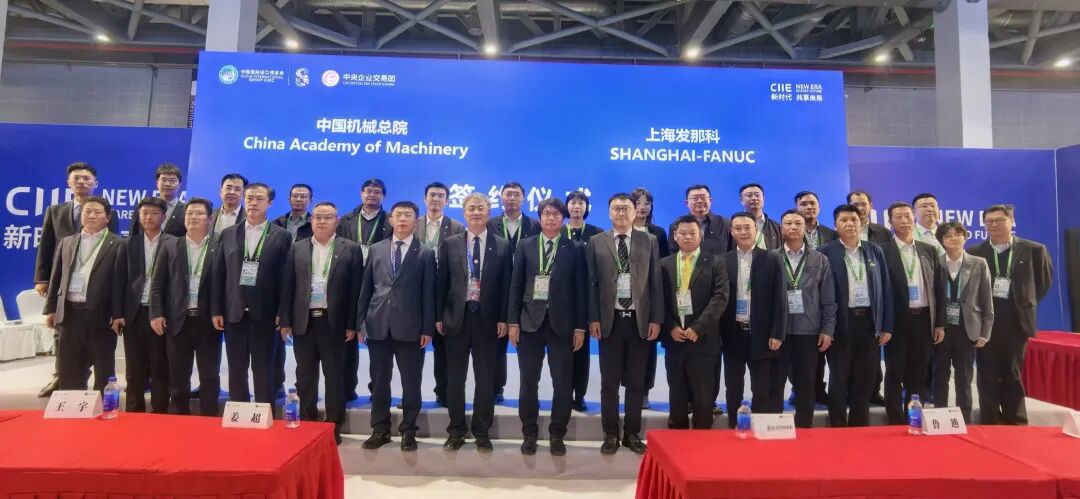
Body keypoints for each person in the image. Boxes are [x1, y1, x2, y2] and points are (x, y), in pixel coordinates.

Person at [508, 197, 587, 456]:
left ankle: (557, 433)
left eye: (555, 214)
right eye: (546, 214)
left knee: (562, 383)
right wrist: (513, 322)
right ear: (539, 218)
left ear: (563, 219)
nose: (551, 218)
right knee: (528, 382)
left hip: (562, 325)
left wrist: (580, 327)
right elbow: (516, 285)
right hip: (529, 323)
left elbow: (580, 290)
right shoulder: (526, 245)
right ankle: (529, 432)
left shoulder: (574, 248)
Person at [34, 162, 120, 398]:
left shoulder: (111, 226)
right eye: (77, 178)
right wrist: (43, 283)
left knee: (101, 358)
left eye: (86, 178)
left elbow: (117, 266)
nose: (81, 182)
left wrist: (117, 311)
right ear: (68, 183)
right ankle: (62, 382)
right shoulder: (56, 212)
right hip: (68, 297)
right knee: (65, 348)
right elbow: (47, 248)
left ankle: (100, 399)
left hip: (99, 302)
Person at [280, 202, 362, 445]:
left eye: (328, 217)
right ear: (311, 220)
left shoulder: (350, 249)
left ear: (337, 220)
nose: (322, 221)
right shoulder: (297, 248)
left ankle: (333, 425)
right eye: (318, 217)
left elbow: (356, 290)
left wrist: (352, 323)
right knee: (305, 375)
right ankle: (307, 421)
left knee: (334, 376)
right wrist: (285, 320)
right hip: (303, 321)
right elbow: (287, 287)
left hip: (334, 322)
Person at [357, 201, 436, 451]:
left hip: (411, 328)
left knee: (411, 382)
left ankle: (408, 431)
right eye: (398, 215)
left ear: (416, 221)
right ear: (390, 219)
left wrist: (427, 329)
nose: (402, 219)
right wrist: (360, 322)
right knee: (379, 381)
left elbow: (428, 294)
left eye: (407, 215)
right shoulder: (377, 249)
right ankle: (380, 429)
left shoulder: (425, 253)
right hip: (378, 324)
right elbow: (366, 288)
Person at [588, 193, 663, 455]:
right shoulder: (597, 241)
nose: (621, 213)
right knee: (609, 382)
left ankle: (631, 433)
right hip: (610, 322)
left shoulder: (649, 240)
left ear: (635, 212)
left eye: (626, 208)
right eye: (616, 209)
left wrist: (656, 319)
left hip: (639, 322)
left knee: (636, 382)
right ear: (609, 212)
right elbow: (592, 283)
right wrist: (593, 317)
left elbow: (655, 282)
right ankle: (610, 433)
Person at [436, 193, 511, 452]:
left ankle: (482, 431)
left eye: (481, 208)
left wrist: (504, 318)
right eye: (471, 208)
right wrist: (439, 316)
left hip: (488, 321)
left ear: (489, 212)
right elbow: (441, 283)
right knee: (455, 379)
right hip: (457, 319)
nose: (476, 212)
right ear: (464, 213)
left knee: (485, 379)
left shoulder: (502, 245)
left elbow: (507, 286)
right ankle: (456, 430)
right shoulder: (450, 244)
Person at [970, 204, 1053, 425]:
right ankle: (990, 420)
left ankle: (1015, 420)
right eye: (989, 222)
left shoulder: (1034, 250)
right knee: (986, 373)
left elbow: (1042, 283)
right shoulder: (975, 252)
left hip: (1016, 322)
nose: (993, 225)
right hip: (985, 323)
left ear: (1011, 221)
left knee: (1012, 372)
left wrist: (1024, 303)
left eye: (999, 220)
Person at [211, 182, 292, 405]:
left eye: (259, 199)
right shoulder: (228, 234)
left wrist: (283, 312)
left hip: (266, 313)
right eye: (249, 198)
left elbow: (286, 279)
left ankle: (264, 413)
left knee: (264, 369)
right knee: (236, 368)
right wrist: (216, 309)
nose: (253, 203)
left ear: (270, 203)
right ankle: (239, 412)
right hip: (234, 312)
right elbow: (219, 274)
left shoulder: (281, 236)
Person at [819, 204, 893, 427]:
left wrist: (886, 325)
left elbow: (886, 288)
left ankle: (859, 426)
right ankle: (839, 426)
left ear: (861, 224)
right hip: (840, 323)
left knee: (866, 378)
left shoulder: (874, 250)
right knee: (839, 377)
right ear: (835, 225)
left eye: (854, 219)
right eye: (844, 220)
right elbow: (820, 293)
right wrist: (825, 328)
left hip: (869, 322)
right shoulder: (825, 252)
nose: (850, 224)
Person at [148, 197, 222, 416]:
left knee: (209, 375)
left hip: (208, 321)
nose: (193, 217)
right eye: (189, 213)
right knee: (178, 375)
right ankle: (179, 418)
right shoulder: (170, 245)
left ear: (210, 219)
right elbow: (157, 283)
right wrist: (156, 313)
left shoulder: (219, 245)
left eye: (199, 213)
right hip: (177, 320)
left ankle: (208, 418)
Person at [719, 212, 787, 427]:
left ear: (755, 230)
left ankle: (760, 428)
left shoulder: (772, 258)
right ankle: (734, 426)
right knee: (733, 386)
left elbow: (780, 298)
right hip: (733, 333)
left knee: (762, 387)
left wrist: (777, 332)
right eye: (738, 228)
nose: (743, 232)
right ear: (732, 232)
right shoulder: (723, 260)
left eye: (747, 227)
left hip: (763, 333)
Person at [661, 215, 729, 429]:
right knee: (677, 393)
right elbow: (658, 300)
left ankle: (702, 441)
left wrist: (698, 327)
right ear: (675, 236)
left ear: (700, 236)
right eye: (682, 233)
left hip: (704, 340)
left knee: (703, 396)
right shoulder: (664, 264)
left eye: (692, 233)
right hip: (675, 340)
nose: (687, 237)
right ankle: (677, 438)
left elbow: (720, 298)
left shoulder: (716, 262)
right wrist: (671, 326)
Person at [881, 202, 946, 425]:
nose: (904, 221)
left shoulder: (928, 250)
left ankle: (913, 417)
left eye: (908, 216)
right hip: (897, 321)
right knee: (894, 372)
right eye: (898, 217)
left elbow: (939, 289)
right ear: (890, 222)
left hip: (923, 318)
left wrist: (939, 323)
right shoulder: (882, 251)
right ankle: (894, 418)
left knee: (918, 372)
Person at [113, 197, 175, 413]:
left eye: (154, 213)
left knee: (160, 365)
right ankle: (134, 411)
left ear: (164, 216)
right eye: (144, 213)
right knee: (134, 367)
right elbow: (118, 281)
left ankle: (159, 410)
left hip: (160, 313)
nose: (148, 217)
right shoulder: (128, 243)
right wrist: (117, 313)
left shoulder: (173, 243)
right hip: (134, 313)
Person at [776, 209, 836, 428]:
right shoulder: (770, 258)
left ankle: (804, 428)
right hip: (778, 332)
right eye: (788, 223)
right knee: (775, 382)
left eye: (797, 223)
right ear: (781, 228)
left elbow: (828, 298)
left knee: (806, 383)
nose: (793, 227)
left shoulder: (819, 259)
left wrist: (827, 330)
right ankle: (775, 427)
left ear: (805, 228)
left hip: (809, 331)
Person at [932, 222, 993, 423]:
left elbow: (986, 299)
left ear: (965, 237)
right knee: (939, 374)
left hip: (968, 328)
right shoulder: (935, 263)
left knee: (965, 377)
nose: (954, 239)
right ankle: (939, 417)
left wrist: (985, 331)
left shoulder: (979, 263)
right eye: (948, 236)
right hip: (941, 329)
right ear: (941, 241)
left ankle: (964, 419)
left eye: (958, 234)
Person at [337, 178, 392, 402]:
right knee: (348, 337)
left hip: (378, 285)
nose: (372, 195)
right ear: (361, 194)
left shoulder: (390, 220)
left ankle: (377, 389)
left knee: (378, 342)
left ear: (383, 196)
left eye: (377, 192)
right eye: (368, 191)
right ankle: (347, 387)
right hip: (349, 283)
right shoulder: (346, 220)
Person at [487, 181, 541, 403]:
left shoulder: (534, 225)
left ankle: (528, 392)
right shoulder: (491, 224)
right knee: (496, 341)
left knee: (527, 343)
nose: (511, 198)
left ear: (523, 198)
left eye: (516, 194)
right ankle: (496, 387)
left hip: (525, 288)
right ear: (501, 197)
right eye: (508, 194)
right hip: (497, 287)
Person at [419, 181, 466, 407]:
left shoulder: (457, 227)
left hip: (444, 292)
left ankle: (443, 391)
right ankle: (412, 395)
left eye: (440, 196)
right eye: (432, 195)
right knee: (412, 349)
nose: (435, 199)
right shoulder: (414, 224)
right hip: (416, 292)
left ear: (447, 200)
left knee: (442, 348)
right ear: (425, 198)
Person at [793, 190, 837, 406]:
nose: (809, 207)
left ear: (819, 207)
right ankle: (798, 390)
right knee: (799, 353)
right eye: (804, 204)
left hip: (825, 294)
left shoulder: (831, 234)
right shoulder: (790, 233)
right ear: (797, 208)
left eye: (812, 203)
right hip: (797, 298)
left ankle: (819, 389)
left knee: (821, 349)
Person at [846, 190, 889, 406]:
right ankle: (851, 393)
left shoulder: (882, 233)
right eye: (855, 204)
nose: (860, 208)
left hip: (874, 303)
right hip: (849, 306)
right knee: (849, 358)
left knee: (872, 356)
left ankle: (874, 391)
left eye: (863, 203)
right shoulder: (840, 233)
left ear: (870, 205)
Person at [564, 190, 603, 412]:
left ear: (587, 208)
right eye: (573, 202)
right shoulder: (558, 231)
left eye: (581, 203)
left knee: (582, 351)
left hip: (587, 298)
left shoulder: (596, 234)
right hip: (561, 299)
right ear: (567, 207)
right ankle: (563, 393)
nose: (577, 206)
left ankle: (579, 395)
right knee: (563, 352)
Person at [668, 184, 731, 257]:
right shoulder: (676, 225)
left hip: (720, 264)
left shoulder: (725, 223)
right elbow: (673, 254)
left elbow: (732, 252)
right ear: (686, 203)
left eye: (703, 197)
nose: (700, 201)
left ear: (710, 200)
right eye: (695, 198)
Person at [130, 163, 186, 238]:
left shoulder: (186, 211)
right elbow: (132, 236)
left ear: (179, 184)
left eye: (172, 180)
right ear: (157, 183)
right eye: (163, 180)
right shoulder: (142, 207)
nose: (167, 184)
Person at [739, 183, 781, 250]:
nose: (754, 198)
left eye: (757, 195)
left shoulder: (776, 227)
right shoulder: (733, 225)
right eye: (749, 195)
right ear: (741, 200)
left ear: (763, 198)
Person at [631, 187, 670, 257]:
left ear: (651, 206)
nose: (642, 207)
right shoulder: (623, 231)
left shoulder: (659, 232)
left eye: (647, 203)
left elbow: (664, 259)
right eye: (637, 203)